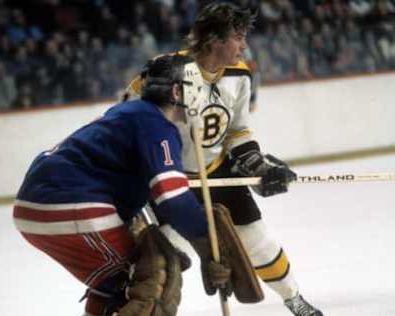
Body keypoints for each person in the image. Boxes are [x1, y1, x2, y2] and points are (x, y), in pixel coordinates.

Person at [123, 3, 323, 316]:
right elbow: (126, 118)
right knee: (163, 258)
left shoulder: (240, 75)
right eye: (238, 37)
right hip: (172, 180)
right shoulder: (165, 72)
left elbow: (237, 131)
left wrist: (257, 164)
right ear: (215, 40)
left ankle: (293, 298)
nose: (244, 45)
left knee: (260, 244)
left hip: (218, 172)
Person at [13, 55, 233, 316]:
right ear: (177, 91)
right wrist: (209, 244)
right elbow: (173, 199)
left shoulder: (128, 112)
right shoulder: (157, 126)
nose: (199, 96)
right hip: (70, 203)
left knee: (115, 286)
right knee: (151, 278)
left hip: (42, 204)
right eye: (195, 87)